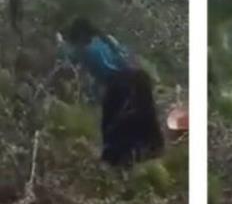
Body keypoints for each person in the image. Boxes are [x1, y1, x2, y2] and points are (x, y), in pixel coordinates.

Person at [56, 18, 164, 167]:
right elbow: (125, 57)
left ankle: (120, 161)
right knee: (144, 116)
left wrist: (60, 42)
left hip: (120, 84)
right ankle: (150, 152)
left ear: (80, 36)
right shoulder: (106, 40)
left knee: (113, 128)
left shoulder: (86, 50)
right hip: (137, 77)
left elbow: (68, 56)